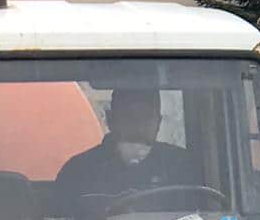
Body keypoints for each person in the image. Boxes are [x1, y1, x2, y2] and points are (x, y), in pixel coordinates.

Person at [54, 87, 197, 210]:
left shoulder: (182, 167)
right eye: (129, 117)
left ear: (158, 122)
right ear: (111, 120)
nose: (138, 126)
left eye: (146, 117)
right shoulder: (78, 172)